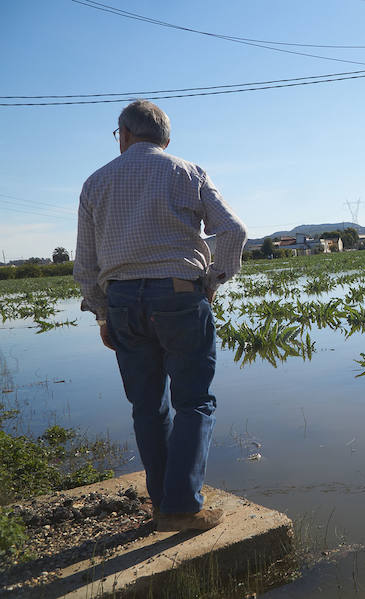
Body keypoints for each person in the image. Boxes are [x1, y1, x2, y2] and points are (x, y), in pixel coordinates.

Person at [74, 100, 247, 532]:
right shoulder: (188, 172)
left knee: (147, 407)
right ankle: (182, 507)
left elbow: (86, 264)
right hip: (180, 296)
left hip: (123, 301)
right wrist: (211, 281)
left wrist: (101, 315)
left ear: (125, 134)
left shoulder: (96, 182)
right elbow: (233, 230)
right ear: (165, 138)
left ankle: (165, 503)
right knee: (194, 402)